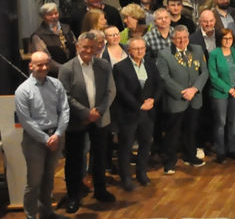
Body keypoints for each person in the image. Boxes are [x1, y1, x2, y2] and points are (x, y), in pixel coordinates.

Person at [58, 33, 115, 211]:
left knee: (99, 157)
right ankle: (73, 196)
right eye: (85, 47)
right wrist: (85, 113)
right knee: (74, 159)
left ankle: (100, 190)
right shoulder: (67, 69)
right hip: (77, 121)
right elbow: (65, 96)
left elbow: (109, 91)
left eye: (92, 47)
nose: (89, 51)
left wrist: (98, 111)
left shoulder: (104, 65)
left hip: (98, 118)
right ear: (77, 47)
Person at [16, 51, 69, 219]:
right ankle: (31, 215)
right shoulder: (23, 90)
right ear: (31, 66)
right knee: (34, 182)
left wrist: (59, 133)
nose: (44, 67)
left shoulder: (56, 84)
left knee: (49, 178)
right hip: (35, 141)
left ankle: (47, 213)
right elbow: (26, 121)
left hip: (56, 136)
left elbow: (65, 110)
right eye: (39, 65)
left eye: (46, 64)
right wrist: (46, 139)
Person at [155, 24, 207, 174]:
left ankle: (190, 156)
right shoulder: (164, 54)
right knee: (173, 132)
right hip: (176, 99)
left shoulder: (197, 49)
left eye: (185, 38)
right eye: (178, 38)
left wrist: (195, 89)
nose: (182, 41)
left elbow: (204, 72)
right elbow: (164, 77)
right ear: (173, 39)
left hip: (195, 97)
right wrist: (182, 92)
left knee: (191, 129)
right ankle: (170, 162)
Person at [112, 36, 157, 191]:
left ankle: (142, 173)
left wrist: (153, 101)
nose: (140, 51)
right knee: (126, 147)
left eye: (142, 48)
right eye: (136, 48)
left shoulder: (150, 65)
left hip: (148, 113)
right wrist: (139, 105)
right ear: (129, 50)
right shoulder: (120, 67)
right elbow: (121, 91)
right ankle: (126, 177)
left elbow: (158, 84)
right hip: (129, 113)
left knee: (145, 144)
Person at [205, 26, 235, 162]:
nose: (228, 41)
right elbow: (213, 76)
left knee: (233, 121)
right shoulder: (214, 54)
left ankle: (232, 150)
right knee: (220, 122)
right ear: (220, 39)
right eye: (225, 38)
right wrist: (228, 89)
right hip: (220, 93)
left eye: (230, 38)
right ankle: (221, 152)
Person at [31, 3, 77, 76]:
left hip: (73, 70)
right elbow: (46, 59)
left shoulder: (66, 29)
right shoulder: (39, 35)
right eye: (50, 15)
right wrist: (64, 69)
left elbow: (77, 47)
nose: (54, 17)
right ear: (43, 17)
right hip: (54, 74)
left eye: (56, 13)